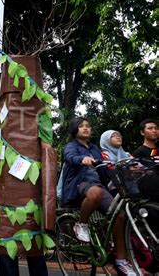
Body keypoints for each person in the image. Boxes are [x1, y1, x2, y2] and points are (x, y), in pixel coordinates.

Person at [62, 117, 136, 275]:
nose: (86, 128)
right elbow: (70, 157)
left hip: (99, 186)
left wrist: (127, 168)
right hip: (79, 185)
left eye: (88, 126)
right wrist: (81, 159)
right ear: (75, 130)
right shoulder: (71, 146)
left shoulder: (95, 148)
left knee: (119, 215)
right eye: (81, 126)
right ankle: (81, 225)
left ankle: (121, 261)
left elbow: (106, 168)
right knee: (95, 192)